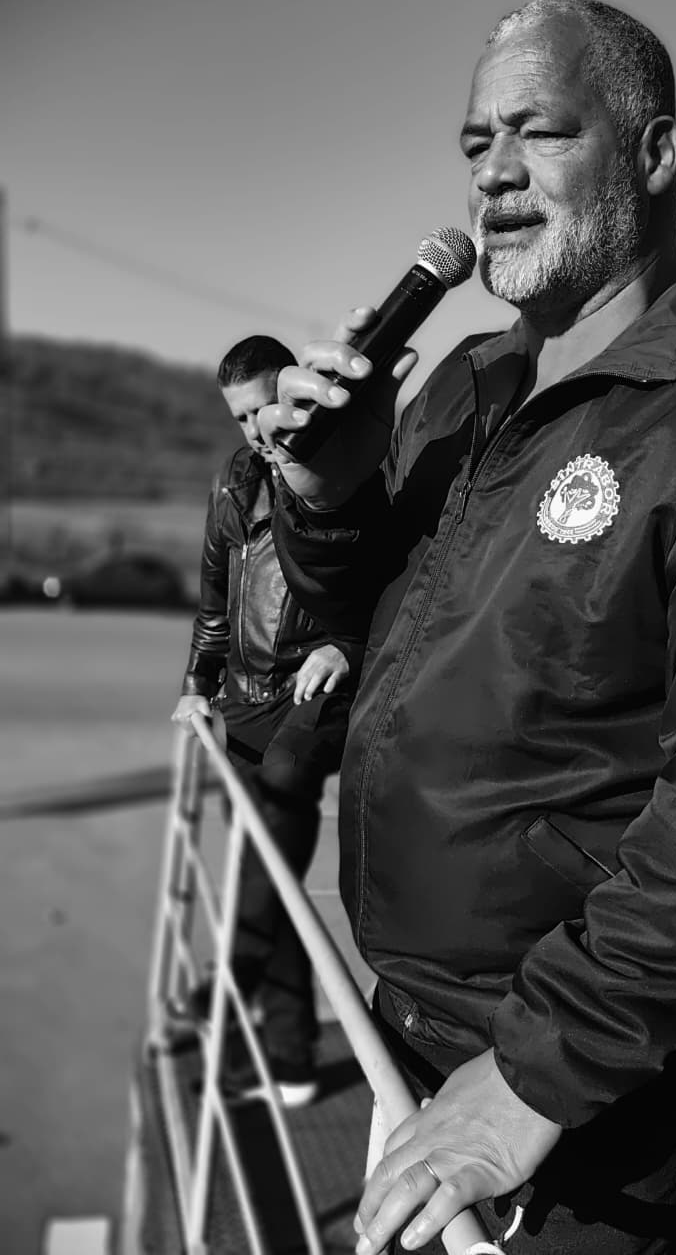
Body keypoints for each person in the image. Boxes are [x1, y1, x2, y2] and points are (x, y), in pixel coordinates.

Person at [261, 0, 676, 1251]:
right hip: (414, 1018)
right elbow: (365, 637)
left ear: (653, 153)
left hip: (596, 1084)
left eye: (539, 131)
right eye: (475, 140)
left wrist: (534, 1073)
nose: (493, 170)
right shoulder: (463, 382)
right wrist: (326, 502)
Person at [171, 335, 370, 1107]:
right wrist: (197, 684)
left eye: (263, 409)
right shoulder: (233, 482)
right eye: (240, 418)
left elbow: (392, 577)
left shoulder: (344, 469)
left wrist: (346, 646)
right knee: (271, 873)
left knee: (278, 814)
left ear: (290, 392)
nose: (256, 430)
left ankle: (232, 980)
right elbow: (213, 597)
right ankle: (289, 1058)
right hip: (242, 704)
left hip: (309, 701)